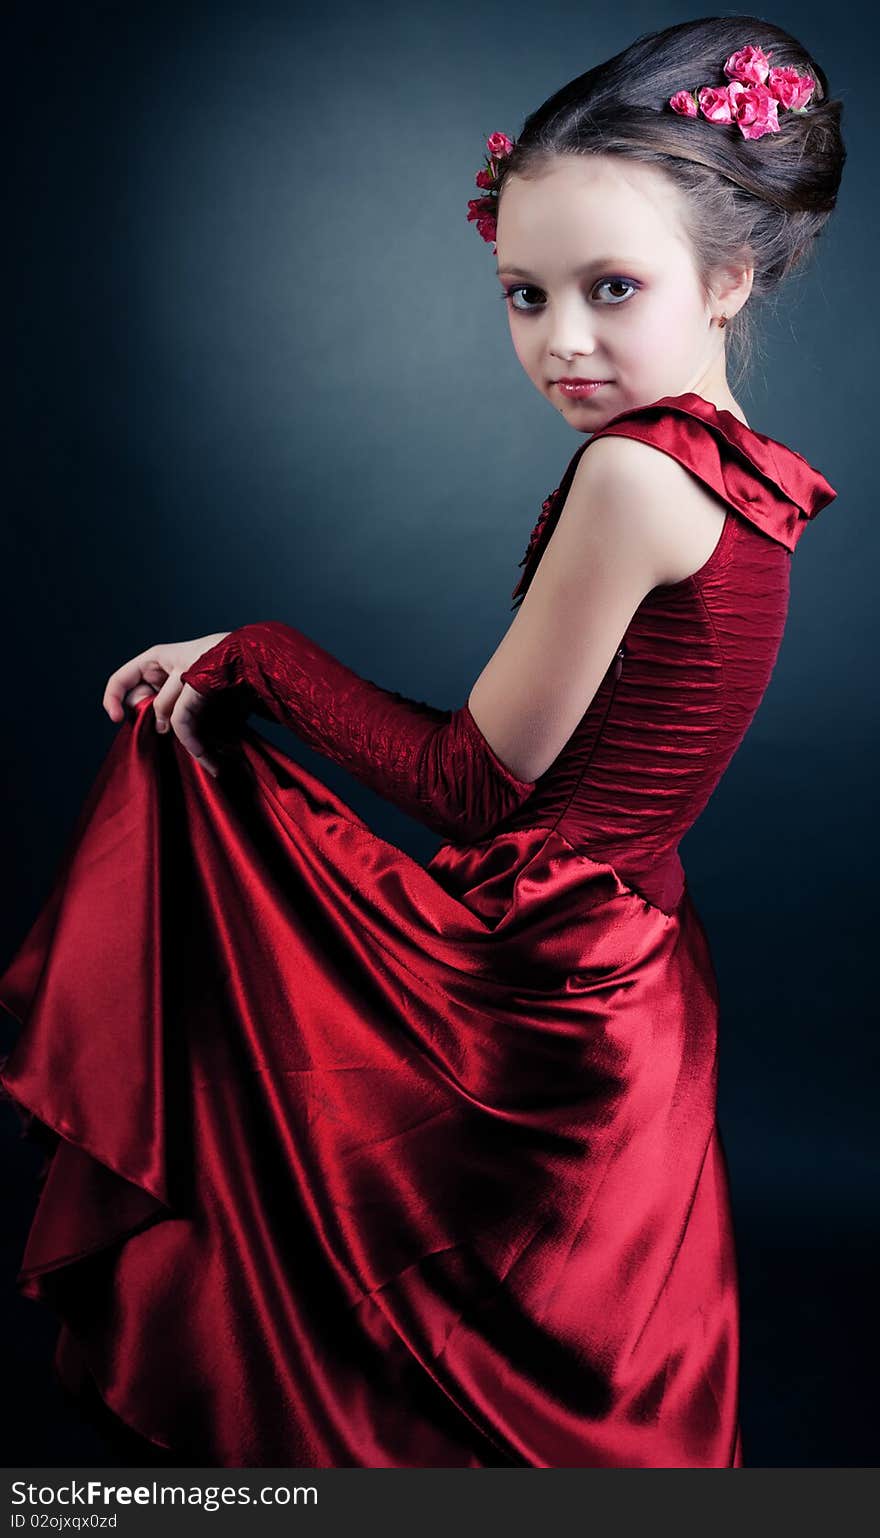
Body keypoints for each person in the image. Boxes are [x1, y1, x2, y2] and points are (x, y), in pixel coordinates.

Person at [0, 15, 844, 1468]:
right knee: (570, 1378)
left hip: (550, 984)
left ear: (734, 271)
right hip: (639, 965)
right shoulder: (754, 476)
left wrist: (254, 655)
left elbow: (474, 782)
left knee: (388, 1296)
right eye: (525, 293)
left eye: (611, 288)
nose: (560, 339)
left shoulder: (636, 480)